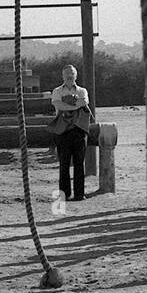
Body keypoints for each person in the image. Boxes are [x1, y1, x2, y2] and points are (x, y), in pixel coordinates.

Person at [49, 65, 92, 201]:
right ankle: (64, 194)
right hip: (62, 131)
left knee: (79, 163)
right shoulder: (56, 91)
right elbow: (58, 105)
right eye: (67, 73)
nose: (69, 75)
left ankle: (79, 194)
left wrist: (67, 103)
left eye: (72, 73)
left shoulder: (82, 90)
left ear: (76, 76)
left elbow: (84, 102)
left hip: (79, 131)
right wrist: (74, 105)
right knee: (64, 164)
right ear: (62, 76)